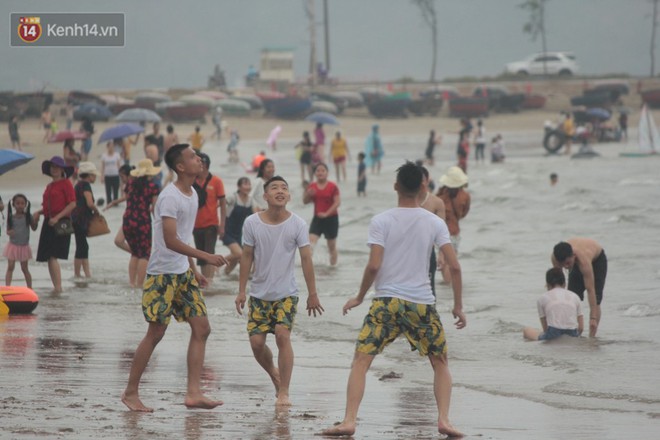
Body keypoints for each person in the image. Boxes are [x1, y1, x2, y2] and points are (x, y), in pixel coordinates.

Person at [321, 162, 465, 438]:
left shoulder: (382, 220)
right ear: (423, 187)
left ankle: (350, 420)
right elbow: (455, 267)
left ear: (395, 186)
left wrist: (359, 296)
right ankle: (444, 420)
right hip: (421, 303)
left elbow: (374, 266)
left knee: (361, 361)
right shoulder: (435, 222)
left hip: (386, 303)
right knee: (440, 362)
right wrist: (458, 306)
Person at [122, 143, 227, 413]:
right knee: (156, 332)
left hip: (182, 274)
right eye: (192, 157)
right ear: (180, 166)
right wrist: (206, 256)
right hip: (161, 275)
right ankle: (131, 393)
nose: (198, 159)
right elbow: (169, 240)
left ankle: (193, 393)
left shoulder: (192, 193)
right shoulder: (170, 196)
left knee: (202, 328)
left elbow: (184, 235)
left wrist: (194, 270)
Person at [235, 175, 324, 406]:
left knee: (283, 336)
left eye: (284, 188)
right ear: (265, 196)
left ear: (289, 196)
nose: (280, 191)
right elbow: (246, 256)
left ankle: (284, 391)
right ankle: (274, 373)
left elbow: (306, 259)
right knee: (256, 343)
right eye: (274, 188)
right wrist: (241, 290)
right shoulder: (252, 222)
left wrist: (312, 293)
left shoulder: (298, 224)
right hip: (259, 294)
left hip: (286, 293)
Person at [32, 156, 76, 293]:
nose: (54, 170)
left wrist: (57, 217)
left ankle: (58, 287)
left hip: (60, 222)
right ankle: (56, 286)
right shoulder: (49, 186)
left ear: (62, 169)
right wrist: (39, 213)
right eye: (52, 167)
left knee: (53, 255)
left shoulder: (66, 183)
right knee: (48, 257)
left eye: (57, 167)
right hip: (48, 221)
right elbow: (48, 206)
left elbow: (72, 204)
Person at [552, 238, 607, 337]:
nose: (566, 267)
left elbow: (591, 290)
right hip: (574, 260)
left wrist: (593, 318)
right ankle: (570, 332)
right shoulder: (556, 258)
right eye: (563, 265)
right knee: (571, 297)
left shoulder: (584, 261)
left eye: (568, 263)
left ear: (574, 256)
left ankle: (592, 336)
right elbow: (557, 284)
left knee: (596, 300)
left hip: (597, 261)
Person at [123, 159, 160, 288]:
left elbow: (128, 200)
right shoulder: (153, 187)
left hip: (127, 219)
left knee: (134, 253)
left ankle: (131, 283)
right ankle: (140, 285)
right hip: (142, 221)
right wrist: (159, 222)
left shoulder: (130, 184)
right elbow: (155, 208)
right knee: (144, 254)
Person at [523, 268, 584, 341]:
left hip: (553, 333)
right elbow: (581, 328)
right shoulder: (575, 296)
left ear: (548, 285)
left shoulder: (542, 298)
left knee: (527, 330)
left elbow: (545, 328)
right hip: (572, 332)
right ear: (564, 284)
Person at [193, 152, 226, 281]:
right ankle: (205, 282)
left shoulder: (216, 181)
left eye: (199, 163)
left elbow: (223, 204)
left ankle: (209, 282)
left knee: (209, 254)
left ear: (205, 165)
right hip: (196, 225)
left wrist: (222, 226)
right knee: (201, 257)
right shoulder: (192, 181)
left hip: (211, 224)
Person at [436, 166, 470, 285]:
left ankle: (447, 285)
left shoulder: (440, 197)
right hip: (455, 232)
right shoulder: (465, 196)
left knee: (444, 261)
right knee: (453, 259)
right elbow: (464, 213)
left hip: (441, 232)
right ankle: (450, 286)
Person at [303, 163, 340, 266]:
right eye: (318, 171)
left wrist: (327, 214)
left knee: (331, 246)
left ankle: (333, 268)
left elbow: (337, 202)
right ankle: (308, 266)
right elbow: (305, 201)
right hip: (317, 219)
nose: (320, 172)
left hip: (331, 219)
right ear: (315, 173)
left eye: (323, 170)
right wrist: (307, 194)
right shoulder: (312, 186)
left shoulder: (333, 186)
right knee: (310, 244)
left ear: (327, 173)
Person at [419, 167, 446, 297]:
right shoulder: (406, 200)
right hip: (408, 252)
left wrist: (442, 255)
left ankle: (430, 315)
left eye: (422, 179)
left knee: (429, 290)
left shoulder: (437, 203)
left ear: (427, 180)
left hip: (429, 253)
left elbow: (441, 233)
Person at [71, 162, 99, 279]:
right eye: (94, 175)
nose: (95, 177)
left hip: (76, 218)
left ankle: (85, 274)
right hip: (81, 219)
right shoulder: (86, 185)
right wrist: (97, 211)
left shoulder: (78, 184)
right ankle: (79, 274)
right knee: (82, 246)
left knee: (82, 246)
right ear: (89, 175)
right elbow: (90, 203)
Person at [222, 177, 255, 276]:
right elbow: (221, 203)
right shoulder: (233, 197)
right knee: (239, 254)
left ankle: (224, 277)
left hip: (238, 234)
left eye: (249, 184)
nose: (247, 187)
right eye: (245, 184)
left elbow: (255, 216)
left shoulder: (250, 201)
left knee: (236, 259)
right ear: (239, 186)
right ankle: (216, 264)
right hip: (227, 231)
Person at [3, 194, 37, 288]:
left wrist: (35, 220)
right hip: (13, 246)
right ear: (13, 204)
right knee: (10, 267)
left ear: (26, 204)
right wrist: (10, 232)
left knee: (24, 268)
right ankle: (7, 287)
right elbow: (8, 230)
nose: (20, 205)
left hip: (24, 246)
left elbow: (34, 228)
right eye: (17, 203)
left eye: (22, 203)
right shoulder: (11, 217)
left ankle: (30, 288)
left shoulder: (27, 216)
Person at [100, 140, 122, 205]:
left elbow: (118, 165)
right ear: (107, 147)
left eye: (112, 146)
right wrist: (102, 176)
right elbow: (103, 166)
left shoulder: (117, 155)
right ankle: (109, 202)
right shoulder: (104, 156)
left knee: (115, 190)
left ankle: (115, 202)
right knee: (108, 190)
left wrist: (121, 175)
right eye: (110, 146)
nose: (111, 148)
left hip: (115, 174)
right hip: (107, 175)